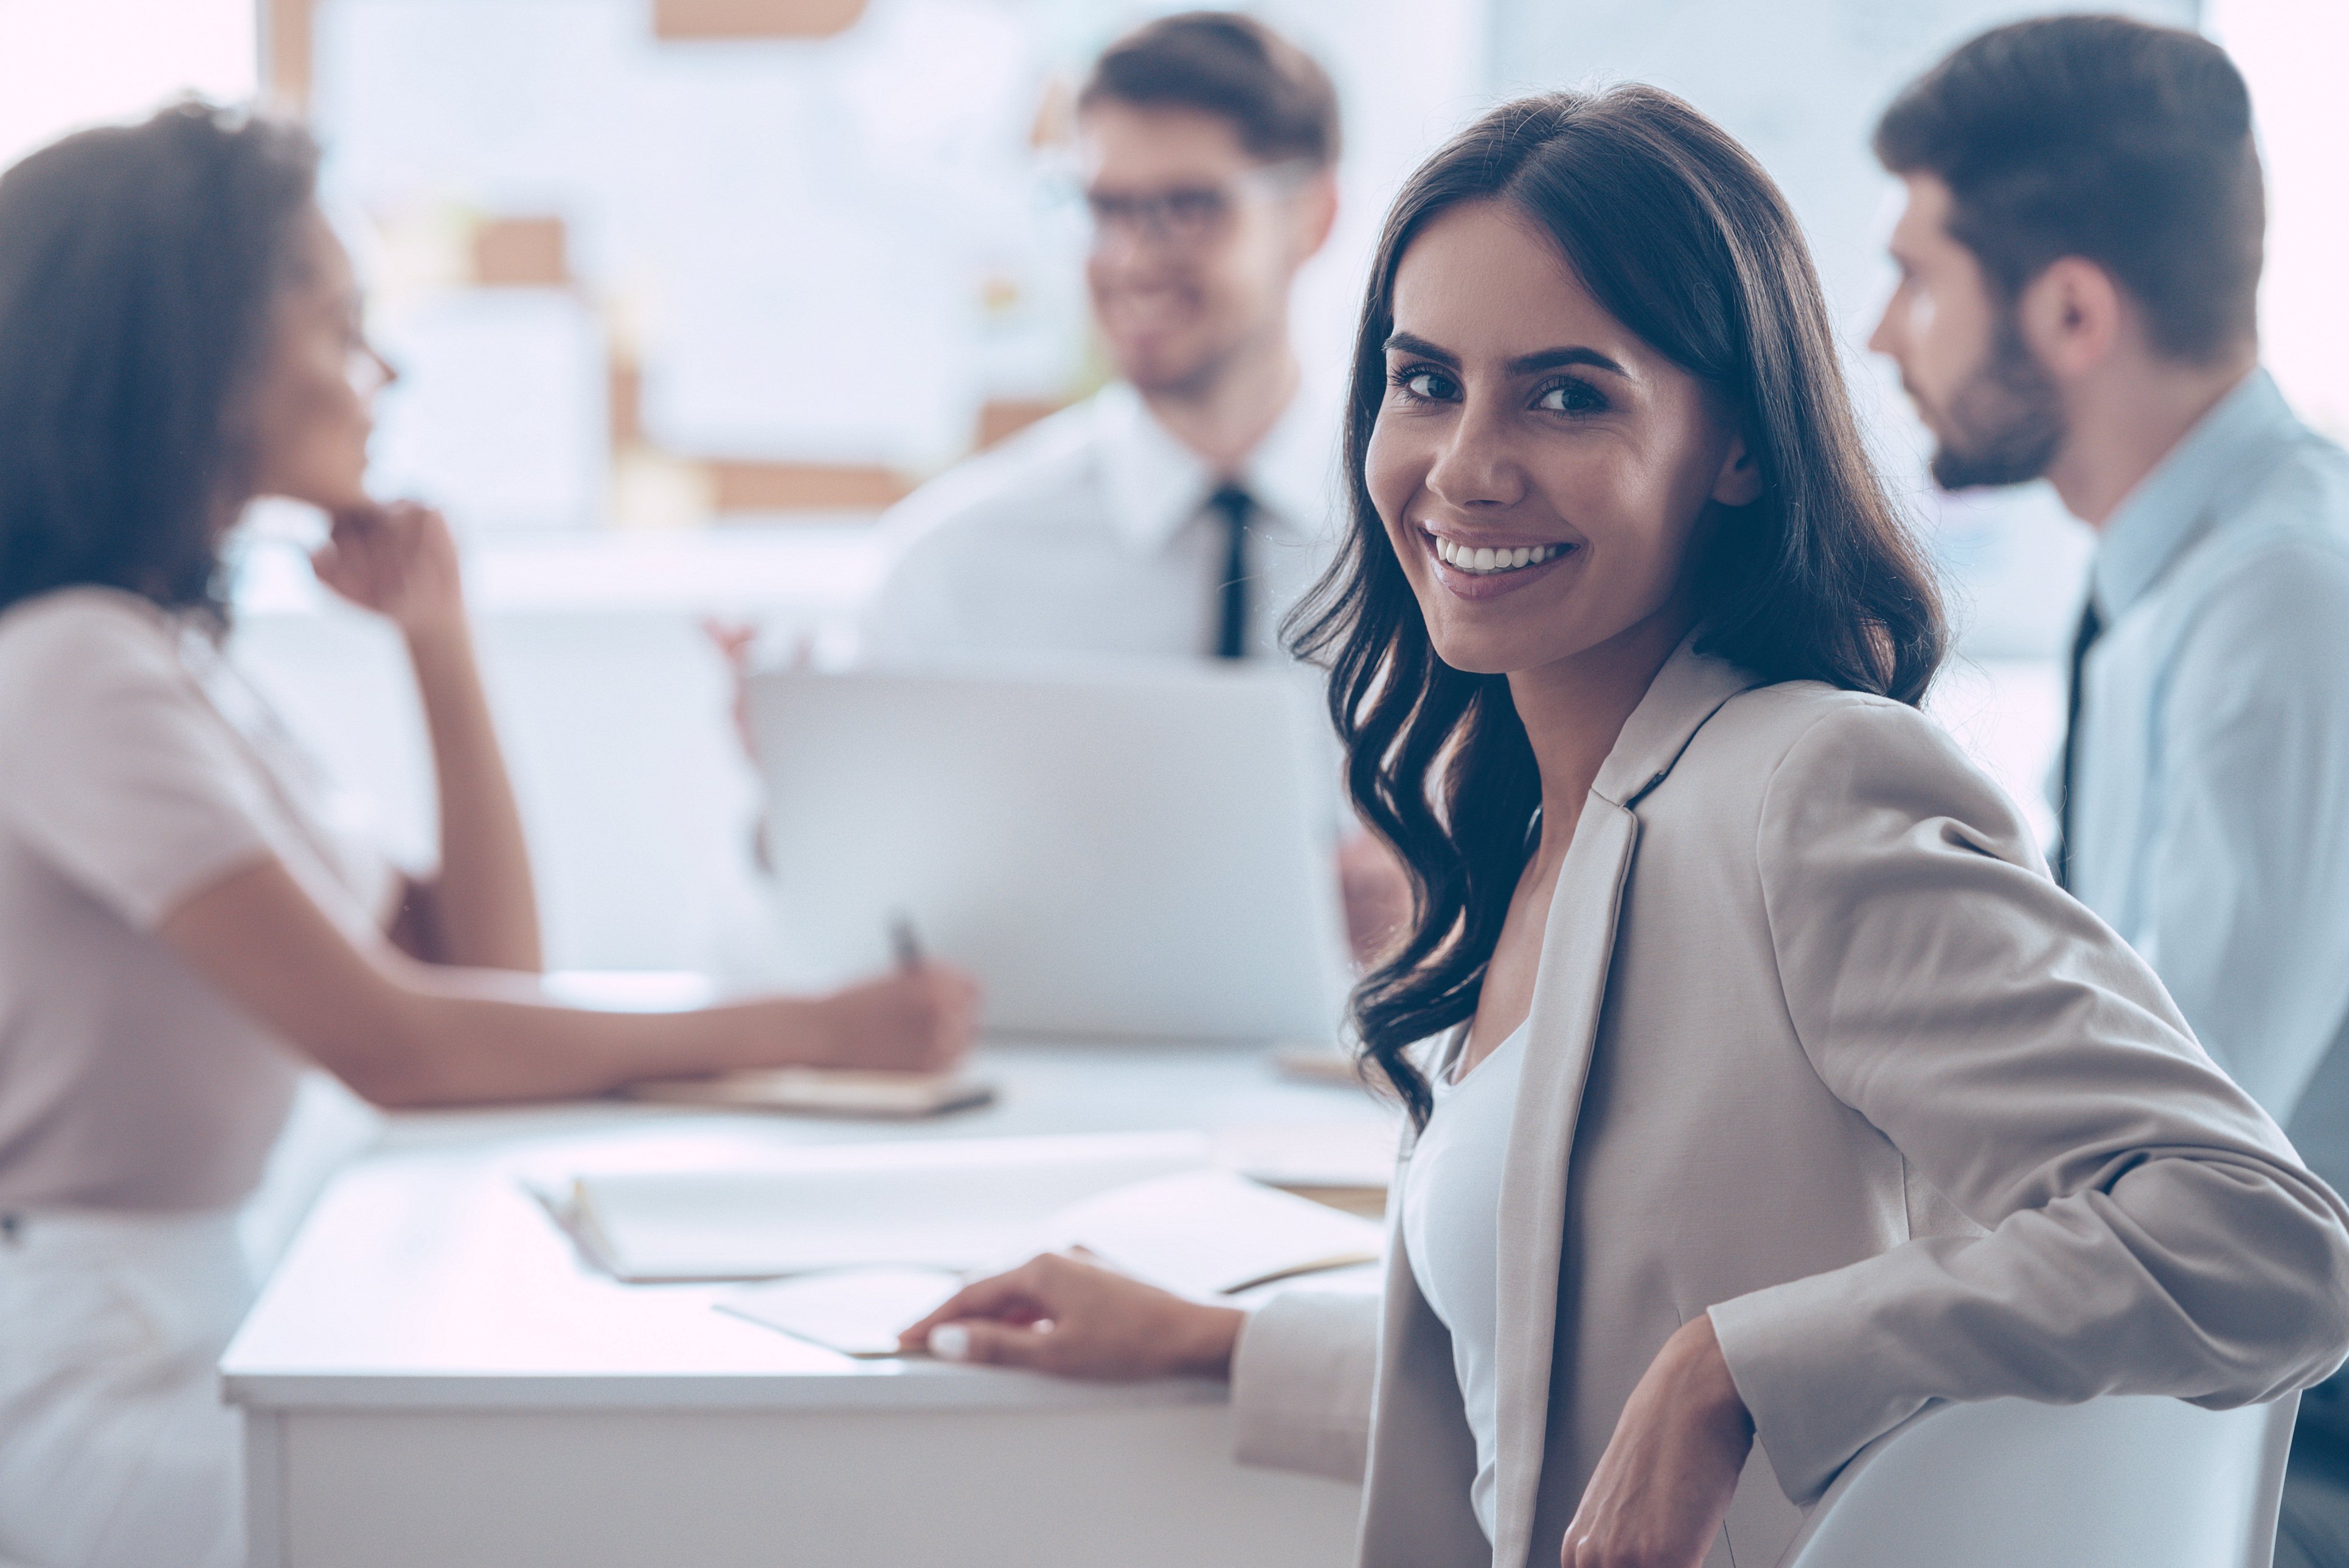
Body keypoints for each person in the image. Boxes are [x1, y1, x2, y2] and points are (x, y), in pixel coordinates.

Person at [898, 86, 2349, 1568]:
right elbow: (1554, 1389)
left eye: (1565, 393)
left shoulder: (1808, 788)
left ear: (1734, 443)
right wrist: (1215, 1341)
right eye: (1422, 381)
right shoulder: (1553, 822)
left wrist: (1733, 1368)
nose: (1463, 464)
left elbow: (2265, 1239)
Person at [0, 105, 978, 1568]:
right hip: (85, 1374)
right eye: (341, 318)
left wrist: (438, 642)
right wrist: (823, 1027)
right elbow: (403, 1050)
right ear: (197, 348)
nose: (380, 368)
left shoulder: (173, 661)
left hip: (191, 1307)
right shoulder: (75, 663)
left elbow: (485, 969)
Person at [1865, 18, 2349, 1565]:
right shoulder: (2176, 574)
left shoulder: (2285, 604)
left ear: (2070, 308)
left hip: (2280, 1453)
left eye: (1919, 276)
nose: (1885, 336)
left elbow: (2182, 1164)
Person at [729, 11, 1410, 957]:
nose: (1128, 256)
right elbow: (833, 912)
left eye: (1186, 207)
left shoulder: (1433, 533)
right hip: (1051, 1086)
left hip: (1364, 1078)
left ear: (1314, 214)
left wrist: (1445, 892)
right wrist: (811, 800)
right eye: (1101, 208)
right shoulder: (954, 562)